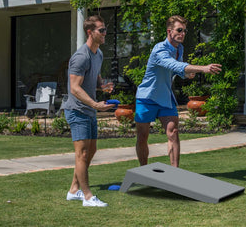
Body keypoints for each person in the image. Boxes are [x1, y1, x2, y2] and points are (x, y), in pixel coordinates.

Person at [135, 15, 222, 167]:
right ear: (169, 31)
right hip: (147, 96)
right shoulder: (159, 49)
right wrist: (203, 68)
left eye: (184, 31)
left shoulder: (179, 49)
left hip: (165, 97)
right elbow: (174, 66)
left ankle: (175, 172)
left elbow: (178, 70)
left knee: (173, 131)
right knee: (142, 136)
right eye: (179, 30)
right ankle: (144, 170)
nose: (182, 33)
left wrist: (187, 74)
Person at [62, 15, 115, 207]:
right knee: (82, 154)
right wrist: (95, 104)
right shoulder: (80, 56)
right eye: (101, 30)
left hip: (89, 110)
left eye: (105, 30)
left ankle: (73, 190)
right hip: (77, 111)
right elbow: (75, 88)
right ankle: (87, 196)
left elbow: (95, 75)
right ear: (90, 32)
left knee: (91, 151)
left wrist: (102, 86)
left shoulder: (98, 54)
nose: (104, 34)